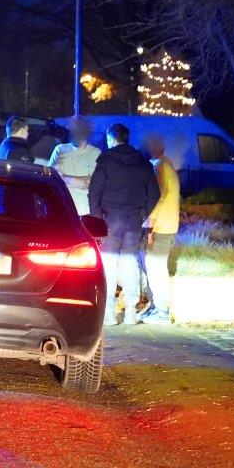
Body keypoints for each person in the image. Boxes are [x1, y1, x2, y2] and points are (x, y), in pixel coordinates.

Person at [88, 123, 160, 327]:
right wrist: (142, 213)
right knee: (130, 263)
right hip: (133, 220)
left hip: (109, 220)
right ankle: (130, 312)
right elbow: (155, 193)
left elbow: (94, 192)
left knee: (108, 264)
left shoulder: (106, 159)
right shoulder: (142, 161)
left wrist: (96, 218)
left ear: (111, 139)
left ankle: (109, 313)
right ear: (127, 138)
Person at [141, 134, 181, 324]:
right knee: (155, 267)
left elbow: (158, 196)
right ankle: (156, 307)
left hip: (160, 227)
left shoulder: (158, 166)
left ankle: (162, 312)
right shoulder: (166, 164)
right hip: (168, 225)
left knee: (156, 268)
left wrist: (149, 225)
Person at [48, 116, 101, 216]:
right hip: (63, 213)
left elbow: (93, 183)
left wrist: (63, 178)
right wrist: (81, 181)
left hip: (86, 214)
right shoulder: (59, 149)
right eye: (72, 130)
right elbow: (51, 179)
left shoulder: (96, 153)